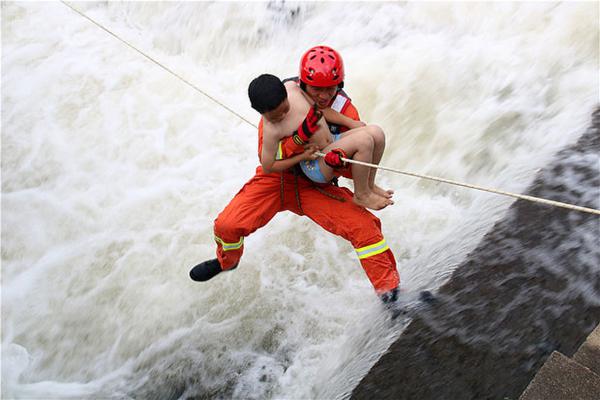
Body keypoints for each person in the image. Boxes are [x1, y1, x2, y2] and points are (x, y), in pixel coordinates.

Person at [190, 45, 400, 304]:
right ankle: (227, 262)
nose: (324, 95)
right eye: (317, 89)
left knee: (366, 229)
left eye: (330, 88)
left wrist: (338, 163)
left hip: (315, 186)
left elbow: (354, 163)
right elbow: (270, 158)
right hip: (276, 179)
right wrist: (301, 142)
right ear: (303, 84)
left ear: (340, 84)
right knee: (226, 225)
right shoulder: (276, 104)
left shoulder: (346, 110)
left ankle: (391, 296)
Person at [253, 73, 393, 210]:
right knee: (364, 141)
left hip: (332, 141)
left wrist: (349, 122)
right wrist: (302, 156)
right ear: (261, 113)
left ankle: (369, 184)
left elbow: (320, 109)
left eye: (284, 109)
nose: (282, 116)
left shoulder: (292, 87)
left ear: (285, 94)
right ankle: (361, 194)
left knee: (376, 133)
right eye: (275, 117)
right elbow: (268, 166)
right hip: (315, 164)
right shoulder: (272, 130)